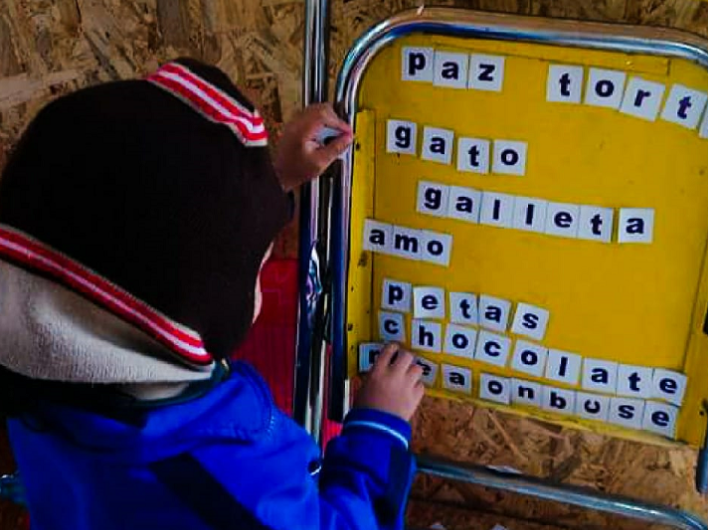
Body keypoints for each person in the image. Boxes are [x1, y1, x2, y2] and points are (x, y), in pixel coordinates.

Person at [0, 58, 424, 530]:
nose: (257, 266)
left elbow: (142, 235)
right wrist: (377, 430)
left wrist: (276, 176)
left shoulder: (37, 367)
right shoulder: (226, 474)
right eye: (254, 265)